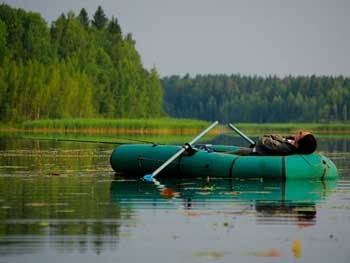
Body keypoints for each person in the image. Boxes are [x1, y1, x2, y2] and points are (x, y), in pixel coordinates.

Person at [232, 130, 317, 156]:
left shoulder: (285, 148)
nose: (300, 131)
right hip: (254, 149)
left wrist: (274, 137)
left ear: (299, 143)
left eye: (300, 134)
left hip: (253, 153)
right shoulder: (290, 143)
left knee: (235, 153)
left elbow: (263, 141)